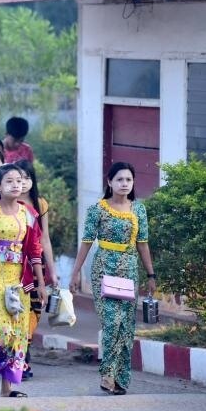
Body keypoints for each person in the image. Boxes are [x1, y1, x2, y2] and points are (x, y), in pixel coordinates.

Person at [69, 162, 156, 395]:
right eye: (119, 179)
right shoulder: (97, 209)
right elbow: (86, 242)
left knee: (126, 326)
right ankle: (107, 374)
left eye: (128, 179)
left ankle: (121, 380)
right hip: (103, 269)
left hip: (129, 271)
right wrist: (75, 272)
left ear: (133, 182)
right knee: (111, 322)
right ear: (109, 182)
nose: (124, 184)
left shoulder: (139, 210)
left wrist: (151, 274)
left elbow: (143, 244)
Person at [0, 163, 48, 397]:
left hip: (19, 281)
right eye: (10, 181)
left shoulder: (30, 214)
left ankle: (5, 388)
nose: (16, 185)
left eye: (19, 180)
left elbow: (35, 251)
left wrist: (41, 284)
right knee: (3, 331)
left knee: (18, 335)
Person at [14, 159, 59, 380]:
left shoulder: (40, 205)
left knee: (33, 313)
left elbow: (45, 239)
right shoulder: (6, 204)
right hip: (13, 266)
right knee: (16, 314)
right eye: (18, 178)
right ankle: (20, 361)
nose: (22, 183)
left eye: (26, 177)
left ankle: (22, 356)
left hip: (36, 265)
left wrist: (53, 270)